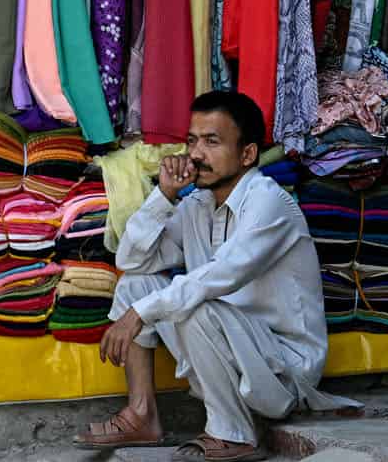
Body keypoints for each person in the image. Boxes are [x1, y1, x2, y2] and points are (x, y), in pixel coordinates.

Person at [75, 91, 357, 461]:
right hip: (232, 350)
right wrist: (163, 195)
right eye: (192, 140)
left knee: (194, 301)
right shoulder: (197, 204)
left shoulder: (268, 203)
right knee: (135, 287)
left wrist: (141, 315)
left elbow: (220, 276)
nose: (195, 154)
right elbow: (133, 260)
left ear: (247, 154)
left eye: (212, 141)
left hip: (284, 371)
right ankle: (142, 414)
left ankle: (234, 434)